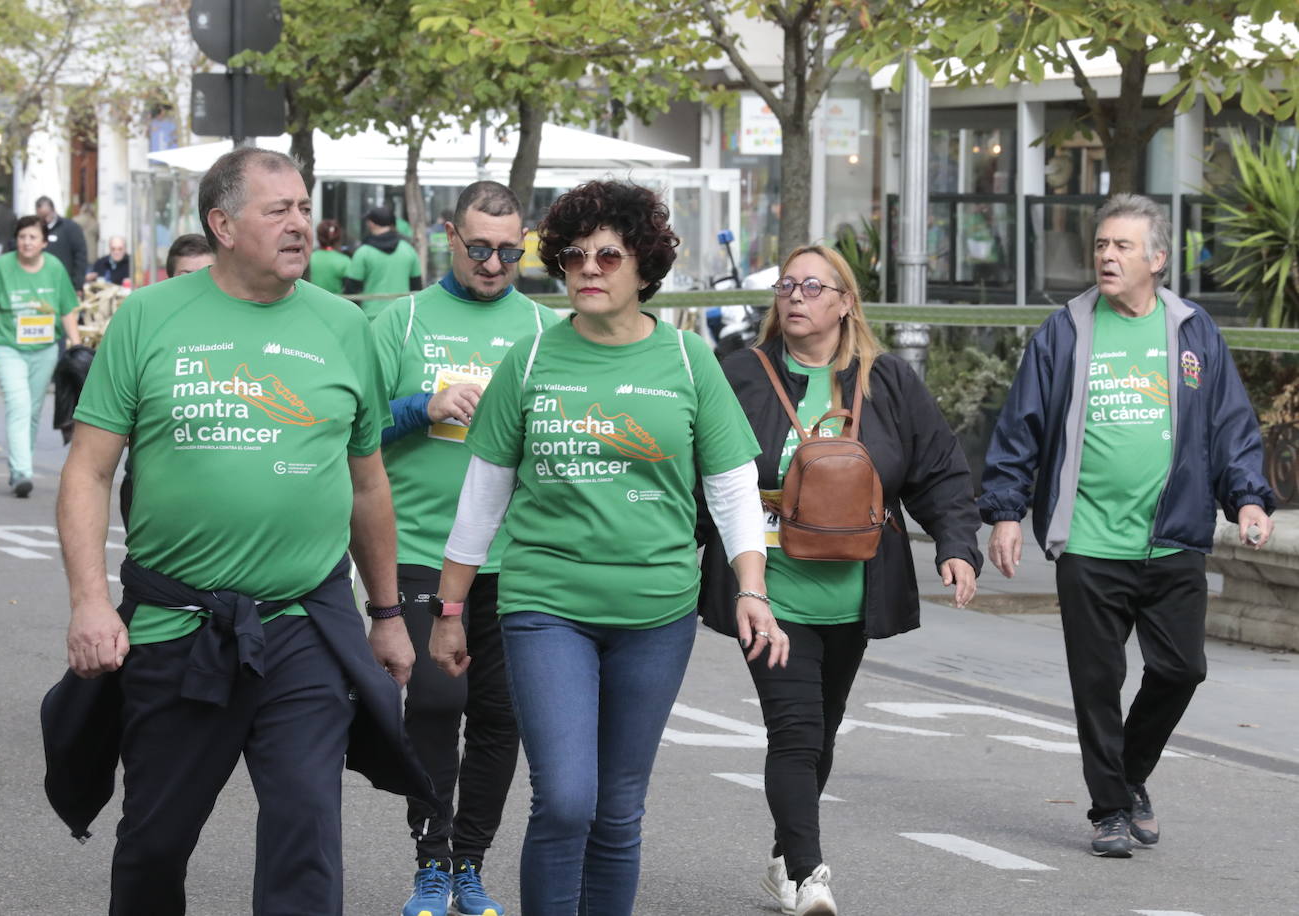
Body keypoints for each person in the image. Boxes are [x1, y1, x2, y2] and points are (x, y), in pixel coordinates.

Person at [50, 147, 435, 914]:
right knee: (155, 842)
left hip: (303, 624)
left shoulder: (342, 326)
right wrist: (91, 603)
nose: (301, 225)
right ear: (222, 224)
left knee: (306, 832)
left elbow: (366, 482)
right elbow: (88, 472)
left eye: (303, 208)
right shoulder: (150, 317)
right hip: (177, 625)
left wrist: (387, 615)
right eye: (278, 211)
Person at [429, 180, 786, 916]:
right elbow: (483, 497)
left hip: (656, 613)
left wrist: (752, 589)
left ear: (643, 266)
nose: (589, 269)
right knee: (565, 799)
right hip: (544, 605)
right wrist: (451, 606)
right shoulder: (527, 361)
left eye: (609, 256)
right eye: (575, 256)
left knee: (619, 810)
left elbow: (731, 491)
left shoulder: (689, 363)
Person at [981, 193, 1275, 858]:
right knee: (1097, 681)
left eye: (1122, 247)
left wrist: (1249, 499)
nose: (1106, 256)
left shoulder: (1194, 331)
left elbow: (1230, 427)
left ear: (1158, 258)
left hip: (1172, 537)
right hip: (1089, 540)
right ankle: (1110, 808)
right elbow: (1020, 427)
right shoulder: (1065, 330)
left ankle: (1130, 773)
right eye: (1101, 245)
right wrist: (1003, 513)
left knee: (1181, 670)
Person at [697, 244, 982, 914]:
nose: (796, 296)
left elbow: (938, 467)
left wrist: (956, 545)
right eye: (787, 285)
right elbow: (697, 469)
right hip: (767, 588)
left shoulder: (888, 382)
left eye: (813, 286)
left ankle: (783, 859)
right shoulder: (741, 374)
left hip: (854, 589)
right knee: (794, 731)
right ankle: (810, 874)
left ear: (845, 301)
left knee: (820, 732)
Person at [373, 180, 560, 916]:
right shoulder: (405, 319)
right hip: (420, 544)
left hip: (514, 555)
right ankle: (430, 855)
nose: (492, 264)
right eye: (479, 248)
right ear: (449, 235)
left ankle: (468, 862)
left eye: (509, 252)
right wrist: (424, 407)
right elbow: (356, 428)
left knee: (499, 716)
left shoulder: (546, 329)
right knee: (436, 698)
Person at [0, 215, 81, 496]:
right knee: (19, 405)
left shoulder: (55, 268)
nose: (27, 242)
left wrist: (77, 346)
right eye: (22, 237)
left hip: (45, 349)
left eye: (33, 237)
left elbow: (67, 307)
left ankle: (19, 466)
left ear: (44, 242)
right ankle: (22, 471)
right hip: (7, 346)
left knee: (32, 410)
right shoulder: (1, 267)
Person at [116, 234, 217, 529]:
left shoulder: (242, 331)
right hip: (152, 484)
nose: (197, 286)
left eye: (206, 275)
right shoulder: (145, 328)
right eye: (186, 277)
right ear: (169, 278)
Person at [343, 205, 422, 320]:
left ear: (372, 223)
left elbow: (351, 291)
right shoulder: (409, 250)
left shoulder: (363, 252)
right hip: (402, 318)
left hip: (370, 318)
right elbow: (417, 288)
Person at [35, 195, 87, 291]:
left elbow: (80, 256)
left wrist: (77, 284)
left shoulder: (71, 228)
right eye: (41, 217)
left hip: (64, 282)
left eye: (47, 215)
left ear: (53, 210)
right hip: (39, 282)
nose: (45, 220)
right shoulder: (35, 229)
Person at [309, 219, 350, 295]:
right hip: (337, 303)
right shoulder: (345, 260)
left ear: (318, 237)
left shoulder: (308, 258)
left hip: (311, 301)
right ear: (338, 237)